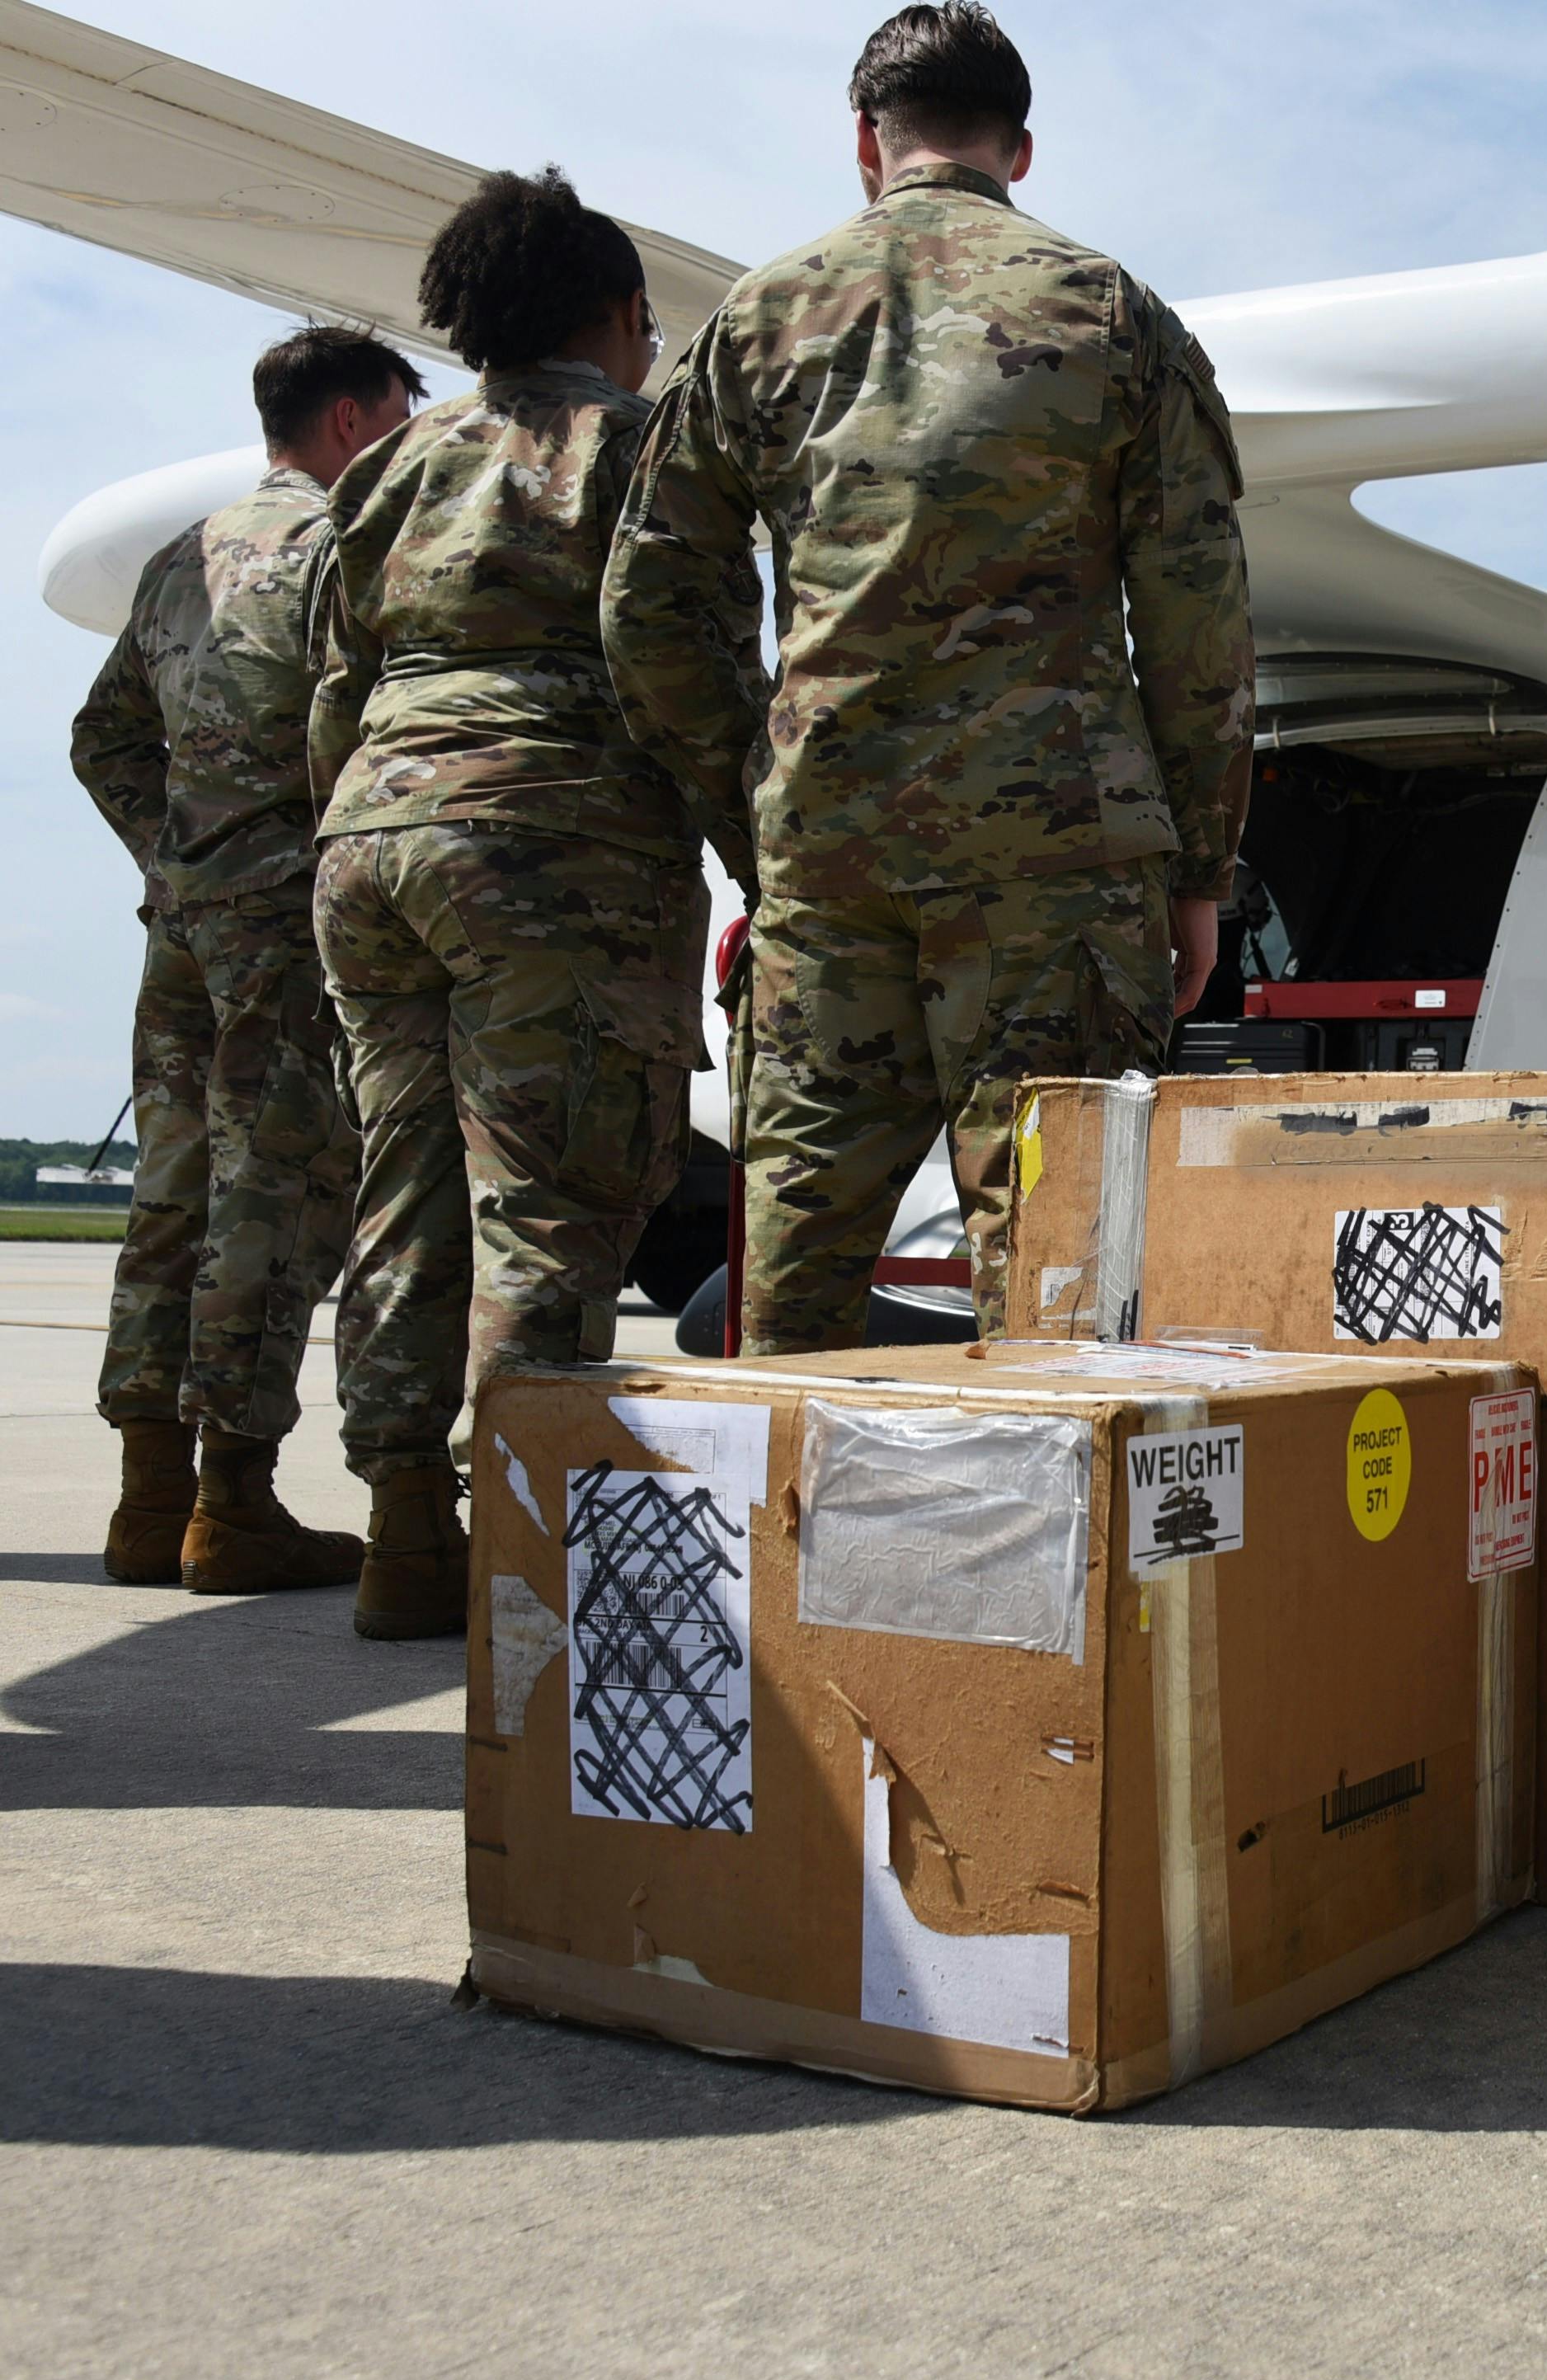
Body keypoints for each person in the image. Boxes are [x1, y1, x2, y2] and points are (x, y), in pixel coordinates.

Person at [603, 2, 1253, 1354]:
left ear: (863, 141)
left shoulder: (757, 319)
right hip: (1055, 863)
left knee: (793, 1268)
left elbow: (651, 600)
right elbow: (1196, 625)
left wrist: (757, 816)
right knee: (1057, 1265)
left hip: (826, 860)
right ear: (1018, 147)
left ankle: (793, 1556)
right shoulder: (1114, 316)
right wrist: (1201, 870)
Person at [313, 168, 741, 1640]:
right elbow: (684, 663)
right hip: (551, 851)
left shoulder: (395, 463)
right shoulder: (635, 449)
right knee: (549, 1203)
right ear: (623, 318)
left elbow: (334, 682)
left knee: (409, 1186)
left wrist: (365, 821)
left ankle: (403, 1527)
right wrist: (760, 845)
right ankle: (533, 1553)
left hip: (371, 841)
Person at [73, 326, 425, 1593]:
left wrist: (174, 865)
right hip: (287, 929)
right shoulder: (352, 547)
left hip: (190, 930)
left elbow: (101, 740)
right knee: (272, 1200)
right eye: (399, 417)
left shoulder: (185, 559)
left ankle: (146, 1496)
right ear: (348, 422)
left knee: (171, 1194)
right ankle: (234, 1502)